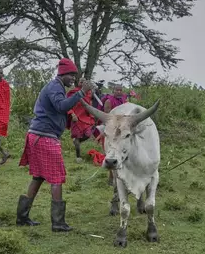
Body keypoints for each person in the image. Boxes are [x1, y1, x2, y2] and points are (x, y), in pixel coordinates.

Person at [16, 58, 96, 231]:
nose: (73, 79)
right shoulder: (54, 87)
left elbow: (60, 108)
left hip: (38, 135)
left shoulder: (57, 87)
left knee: (38, 177)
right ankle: (58, 223)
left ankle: (22, 217)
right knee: (57, 177)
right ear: (62, 74)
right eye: (71, 76)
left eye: (75, 76)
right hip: (44, 136)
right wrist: (81, 92)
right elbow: (61, 106)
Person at [66, 77, 99, 163]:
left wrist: (92, 117)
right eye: (81, 82)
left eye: (84, 82)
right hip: (76, 118)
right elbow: (66, 104)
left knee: (88, 134)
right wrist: (72, 114)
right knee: (77, 136)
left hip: (85, 118)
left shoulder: (89, 93)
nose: (82, 83)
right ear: (78, 83)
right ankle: (78, 157)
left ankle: (77, 142)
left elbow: (90, 104)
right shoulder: (73, 92)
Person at [102, 84, 128, 185]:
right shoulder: (109, 101)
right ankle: (111, 176)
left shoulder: (124, 101)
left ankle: (123, 176)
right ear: (113, 91)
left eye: (120, 90)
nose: (119, 92)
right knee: (110, 152)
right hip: (111, 129)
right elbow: (108, 116)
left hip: (122, 129)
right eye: (117, 90)